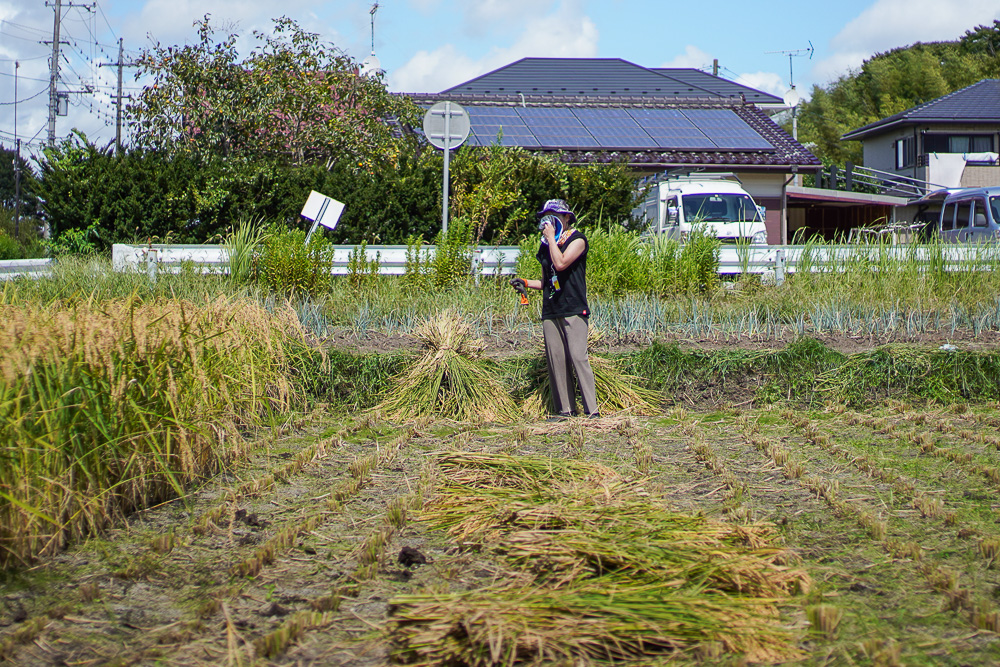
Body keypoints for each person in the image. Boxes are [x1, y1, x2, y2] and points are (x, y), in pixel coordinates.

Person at [510, 199, 599, 420]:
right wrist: (526, 283)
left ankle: (592, 411)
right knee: (556, 359)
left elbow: (560, 264)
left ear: (567, 217)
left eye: (555, 215)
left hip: (573, 308)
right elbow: (548, 280)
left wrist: (551, 239)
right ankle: (565, 411)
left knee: (578, 357)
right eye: (546, 216)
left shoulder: (577, 240)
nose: (549, 220)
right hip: (551, 309)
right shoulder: (545, 245)